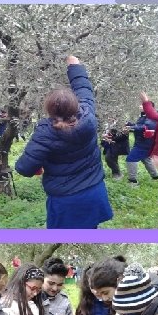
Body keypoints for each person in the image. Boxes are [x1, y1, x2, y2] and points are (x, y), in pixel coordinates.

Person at [15, 56, 113, 229]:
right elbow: (84, 88)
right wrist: (74, 66)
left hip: (66, 200)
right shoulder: (88, 116)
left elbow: (23, 168)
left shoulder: (44, 133)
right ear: (76, 106)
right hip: (94, 191)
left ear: (50, 110)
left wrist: (39, 165)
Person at [124, 105, 158, 186]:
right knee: (146, 159)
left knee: (131, 159)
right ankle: (155, 178)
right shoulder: (144, 116)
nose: (140, 106)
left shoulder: (152, 116)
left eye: (143, 105)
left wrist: (132, 127)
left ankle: (132, 181)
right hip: (143, 142)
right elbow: (140, 126)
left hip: (144, 143)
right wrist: (130, 125)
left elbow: (147, 127)